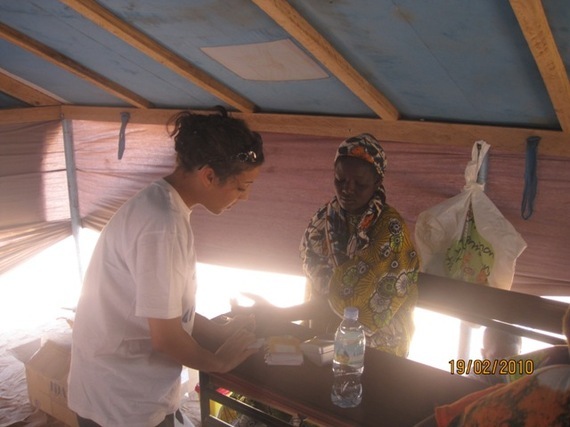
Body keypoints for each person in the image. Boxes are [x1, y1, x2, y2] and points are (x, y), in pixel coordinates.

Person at [68, 107, 265, 427]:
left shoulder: (161, 203)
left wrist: (217, 333)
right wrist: (219, 362)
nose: (244, 197)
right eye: (241, 187)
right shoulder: (162, 225)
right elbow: (166, 338)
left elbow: (164, 310)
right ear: (209, 175)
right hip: (121, 404)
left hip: (117, 390)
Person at [235, 133, 419, 357]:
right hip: (324, 337)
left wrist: (280, 314)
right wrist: (276, 314)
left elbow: (353, 309)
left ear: (378, 182)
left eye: (360, 184)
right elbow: (321, 287)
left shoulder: (390, 231)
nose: (347, 190)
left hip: (378, 348)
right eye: (340, 180)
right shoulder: (325, 219)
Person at [415, 304, 570, 427]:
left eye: (512, 358)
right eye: (498, 358)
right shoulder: (474, 376)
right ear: (483, 354)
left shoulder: (529, 373)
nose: (504, 364)